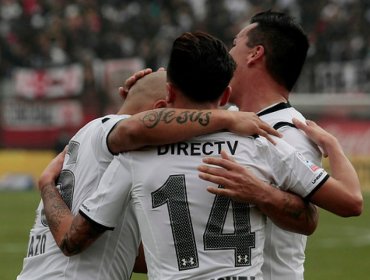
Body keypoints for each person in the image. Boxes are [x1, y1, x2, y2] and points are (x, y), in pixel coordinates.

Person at [37, 31, 360, 280]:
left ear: (170, 94)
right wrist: (330, 147)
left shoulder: (134, 157)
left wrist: (47, 186)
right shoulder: (263, 143)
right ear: (226, 95)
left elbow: (72, 241)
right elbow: (337, 207)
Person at [18, 70, 277, 280]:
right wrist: (224, 118)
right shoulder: (112, 132)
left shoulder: (92, 137)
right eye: (180, 112)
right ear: (160, 109)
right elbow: (134, 130)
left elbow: (133, 254)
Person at [199, 10, 363, 280]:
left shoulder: (288, 131)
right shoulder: (233, 118)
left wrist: (259, 191)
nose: (227, 53)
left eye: (235, 44)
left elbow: (310, 217)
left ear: (255, 53)